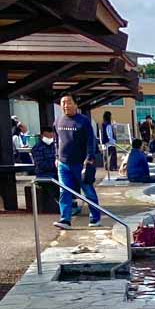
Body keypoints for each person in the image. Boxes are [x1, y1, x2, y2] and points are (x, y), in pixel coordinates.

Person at [54, 93, 100, 229]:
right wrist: (56, 157)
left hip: (81, 163)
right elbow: (57, 140)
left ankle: (95, 217)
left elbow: (90, 141)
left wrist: (90, 157)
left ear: (75, 104)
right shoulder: (58, 121)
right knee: (64, 191)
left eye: (68, 102)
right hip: (63, 163)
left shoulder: (83, 121)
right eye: (63, 102)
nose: (65, 105)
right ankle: (65, 219)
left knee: (88, 190)